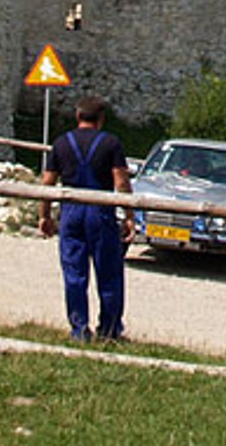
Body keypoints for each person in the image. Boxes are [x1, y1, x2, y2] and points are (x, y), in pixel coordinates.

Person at [39, 96, 133, 342]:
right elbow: (121, 182)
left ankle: (79, 329)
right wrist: (130, 216)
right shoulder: (111, 143)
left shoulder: (61, 143)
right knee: (109, 273)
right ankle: (109, 330)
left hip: (70, 210)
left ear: (78, 116)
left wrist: (44, 215)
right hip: (100, 209)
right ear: (101, 119)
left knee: (74, 273)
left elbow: (47, 182)